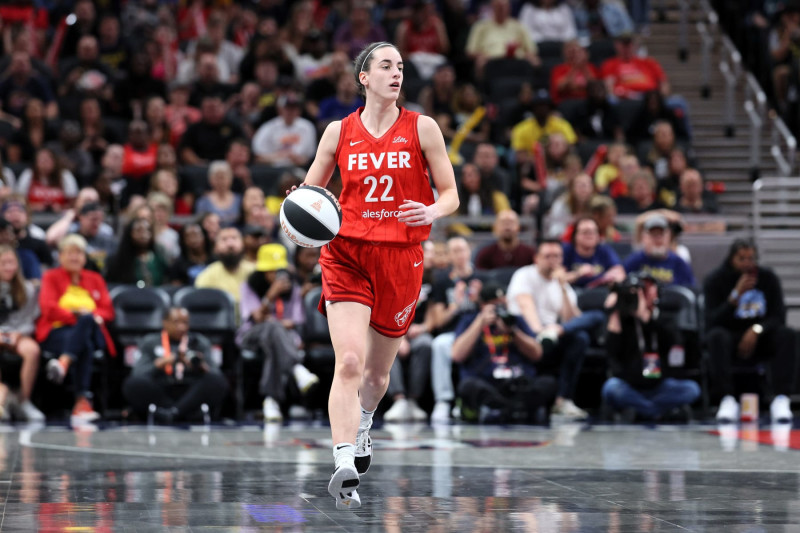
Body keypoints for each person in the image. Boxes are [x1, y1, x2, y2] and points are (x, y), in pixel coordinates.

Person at [289, 42, 458, 510]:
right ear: (364, 76)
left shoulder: (422, 127)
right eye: (386, 65)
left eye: (401, 66)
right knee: (348, 362)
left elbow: (451, 195)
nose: (396, 72)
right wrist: (298, 204)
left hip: (401, 257)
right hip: (346, 253)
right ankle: (343, 458)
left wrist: (431, 209)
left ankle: (364, 422)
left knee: (378, 374)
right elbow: (312, 191)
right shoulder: (337, 132)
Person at [506, 239, 604, 420]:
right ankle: (552, 333)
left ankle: (563, 401)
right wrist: (539, 332)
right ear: (537, 258)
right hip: (526, 333)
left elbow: (573, 319)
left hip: (553, 336)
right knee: (576, 329)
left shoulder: (562, 284)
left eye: (557, 256)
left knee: (591, 323)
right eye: (547, 256)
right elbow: (525, 305)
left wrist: (563, 288)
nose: (553, 260)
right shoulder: (524, 275)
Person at [703, 239, 796, 423]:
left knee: (788, 335)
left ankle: (781, 398)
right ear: (731, 259)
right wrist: (734, 297)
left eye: (751, 259)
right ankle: (726, 399)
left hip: (761, 335)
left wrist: (757, 329)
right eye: (742, 259)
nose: (747, 263)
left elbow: (778, 316)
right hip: (730, 334)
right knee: (716, 337)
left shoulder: (768, 278)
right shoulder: (715, 279)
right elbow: (711, 321)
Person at [37, 234, 115, 423]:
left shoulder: (95, 278)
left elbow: (108, 311)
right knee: (84, 343)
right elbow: (48, 308)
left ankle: (63, 363)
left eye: (79, 253)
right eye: (70, 253)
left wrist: (87, 317)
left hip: (93, 331)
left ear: (85, 257)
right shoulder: (51, 277)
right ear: (60, 256)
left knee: (87, 321)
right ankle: (82, 403)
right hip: (58, 333)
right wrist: (77, 316)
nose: (74, 257)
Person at [452, 282, 557, 424]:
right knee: (468, 386)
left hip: (518, 383)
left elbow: (537, 353)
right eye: (496, 305)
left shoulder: (515, 321)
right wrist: (480, 323)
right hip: (488, 384)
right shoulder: (470, 320)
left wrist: (513, 332)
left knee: (548, 382)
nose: (501, 310)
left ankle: (510, 410)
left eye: (504, 304)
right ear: (483, 305)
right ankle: (509, 410)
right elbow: (457, 355)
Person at [602, 272, 701, 420]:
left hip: (660, 385)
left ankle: (642, 410)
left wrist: (645, 318)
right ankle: (654, 411)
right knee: (611, 388)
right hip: (629, 385)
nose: (643, 292)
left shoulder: (664, 317)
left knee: (691, 389)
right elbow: (610, 352)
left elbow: (674, 344)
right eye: (639, 288)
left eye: (647, 288)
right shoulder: (623, 319)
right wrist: (615, 311)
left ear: (657, 292)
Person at [237, 244, 317, 422]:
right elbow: (256, 318)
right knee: (272, 328)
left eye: (279, 270)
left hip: (279, 338)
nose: (276, 275)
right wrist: (270, 295)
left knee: (273, 339)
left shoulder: (293, 288)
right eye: (270, 271)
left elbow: (295, 321)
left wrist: (276, 322)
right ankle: (297, 368)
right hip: (252, 335)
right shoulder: (249, 286)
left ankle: (271, 401)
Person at [123, 306, 229, 424]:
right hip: (162, 387)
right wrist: (164, 362)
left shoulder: (199, 341)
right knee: (133, 384)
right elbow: (138, 373)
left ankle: (173, 414)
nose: (181, 327)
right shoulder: (150, 341)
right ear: (165, 323)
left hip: (190, 389)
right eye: (176, 322)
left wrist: (200, 366)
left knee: (217, 381)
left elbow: (215, 374)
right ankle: (179, 413)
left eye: (185, 322)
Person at [0, 245, 45, 422]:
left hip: (18, 334)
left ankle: (24, 400)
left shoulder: (27, 289)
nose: (8, 267)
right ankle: (2, 399)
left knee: (32, 350)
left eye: (11, 262)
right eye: (3, 263)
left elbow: (28, 320)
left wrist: (17, 334)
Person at [623, 214, 695, 287]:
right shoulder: (633, 261)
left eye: (661, 234)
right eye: (653, 234)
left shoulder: (679, 264)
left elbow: (691, 290)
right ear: (644, 237)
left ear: (669, 236)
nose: (658, 238)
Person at [195, 227, 255, 307]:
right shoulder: (207, 275)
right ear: (215, 248)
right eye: (224, 239)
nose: (230, 244)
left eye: (234, 238)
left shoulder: (254, 271)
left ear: (243, 244)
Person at [104, 218, 170, 287]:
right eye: (139, 231)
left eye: (148, 230)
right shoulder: (117, 260)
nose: (144, 235)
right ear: (129, 233)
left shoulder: (159, 258)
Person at [562, 216, 625, 288]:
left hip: (601, 293)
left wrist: (609, 277)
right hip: (572, 293)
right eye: (585, 232)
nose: (590, 236)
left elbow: (620, 272)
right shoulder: (566, 251)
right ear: (575, 236)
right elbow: (557, 278)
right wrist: (578, 274)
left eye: (593, 232)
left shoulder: (604, 250)